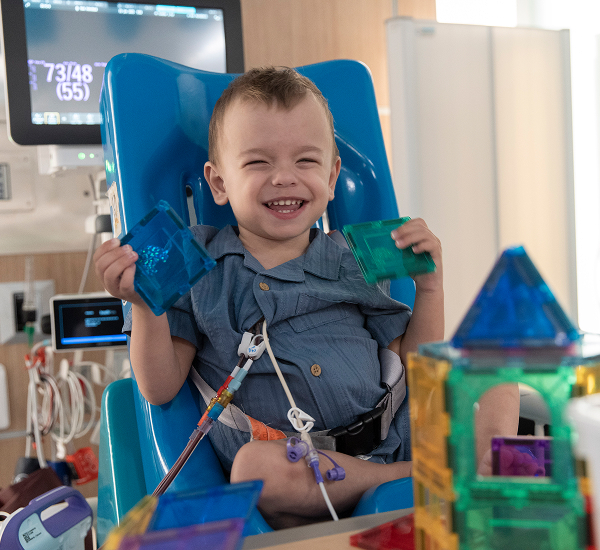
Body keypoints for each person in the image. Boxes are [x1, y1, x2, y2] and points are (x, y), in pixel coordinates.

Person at [94, 66, 519, 529]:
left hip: (396, 431)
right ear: (218, 183)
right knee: (253, 471)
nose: (284, 179)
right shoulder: (195, 264)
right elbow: (160, 388)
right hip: (297, 471)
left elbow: (418, 370)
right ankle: (423, 479)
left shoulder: (353, 256)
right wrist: (144, 303)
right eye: (258, 163)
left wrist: (430, 289)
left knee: (499, 370)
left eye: (306, 162)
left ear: (332, 176)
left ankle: (468, 475)